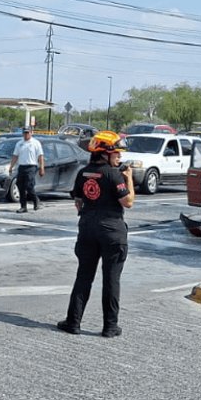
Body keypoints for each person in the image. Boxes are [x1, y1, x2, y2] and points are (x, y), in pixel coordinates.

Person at [58, 130, 135, 338]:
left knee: (83, 276)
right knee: (111, 279)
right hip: (112, 232)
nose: (120, 157)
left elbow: (78, 201)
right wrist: (129, 179)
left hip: (87, 229)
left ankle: (73, 322)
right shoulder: (114, 174)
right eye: (116, 153)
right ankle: (110, 326)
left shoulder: (83, 173)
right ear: (104, 153)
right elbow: (128, 202)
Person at [8, 127, 45, 213]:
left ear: (31, 133)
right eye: (25, 133)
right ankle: (23, 206)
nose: (26, 134)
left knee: (29, 185)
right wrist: (11, 167)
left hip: (31, 166)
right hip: (22, 167)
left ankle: (36, 200)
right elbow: (15, 156)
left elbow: (40, 156)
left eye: (28, 133)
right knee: (20, 186)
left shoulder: (36, 143)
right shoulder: (19, 143)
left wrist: (42, 167)